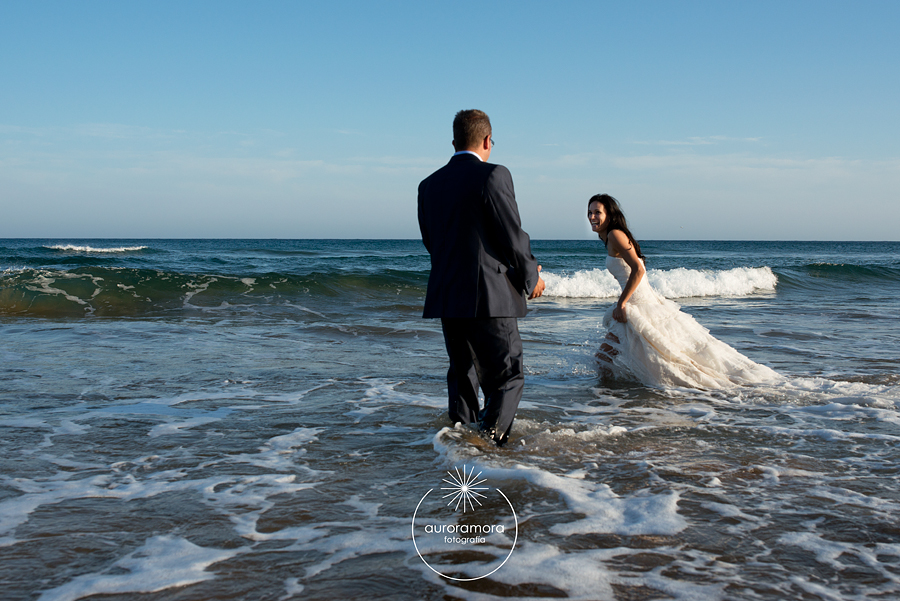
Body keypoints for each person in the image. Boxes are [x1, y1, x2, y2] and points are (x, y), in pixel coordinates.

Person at [418, 110, 545, 446]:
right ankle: (488, 443)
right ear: (487, 141)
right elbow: (512, 235)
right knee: (508, 376)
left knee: (464, 374)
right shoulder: (494, 175)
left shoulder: (428, 185)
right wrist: (531, 277)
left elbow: (433, 242)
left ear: (454, 142)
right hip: (490, 294)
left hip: (448, 295)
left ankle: (459, 443)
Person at [588, 193, 779, 389]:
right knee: (621, 358)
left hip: (637, 305)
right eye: (590, 212)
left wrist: (621, 303)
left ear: (609, 216)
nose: (592, 217)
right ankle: (615, 399)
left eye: (597, 212)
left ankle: (607, 402)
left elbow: (639, 269)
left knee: (605, 359)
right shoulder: (612, 236)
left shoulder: (614, 234)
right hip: (638, 302)